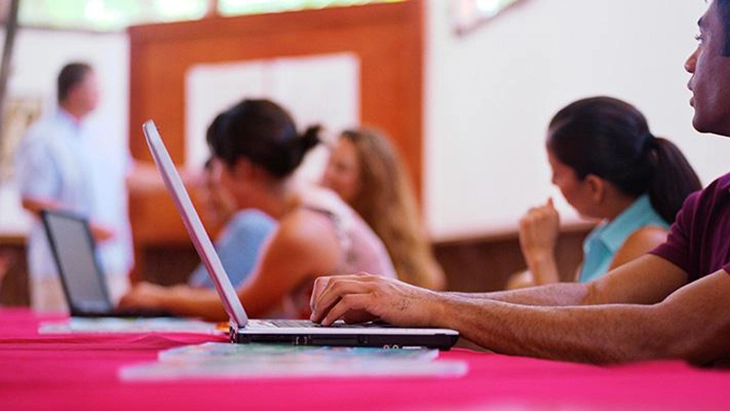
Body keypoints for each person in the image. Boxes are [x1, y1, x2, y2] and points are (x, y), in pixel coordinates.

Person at [310, 0, 730, 366]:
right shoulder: (709, 204)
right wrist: (416, 304)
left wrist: (432, 306)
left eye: (703, 39)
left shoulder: (651, 233)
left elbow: (666, 331)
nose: (690, 62)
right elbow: (591, 297)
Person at [120, 99, 396, 321]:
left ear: (243, 169)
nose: (213, 177)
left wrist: (160, 296)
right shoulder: (311, 207)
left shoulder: (301, 230)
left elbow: (240, 307)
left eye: (217, 164)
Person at [508, 97, 701, 289]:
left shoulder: (648, 242)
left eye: (557, 172)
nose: (552, 181)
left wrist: (540, 255)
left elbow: (575, 320)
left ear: (594, 187)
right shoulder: (609, 236)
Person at [15, 62, 133, 312]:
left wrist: (185, 177)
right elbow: (33, 200)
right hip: (63, 269)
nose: (100, 94)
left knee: (116, 341)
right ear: (75, 91)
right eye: (95, 87)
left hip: (109, 263)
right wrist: (88, 228)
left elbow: (129, 175)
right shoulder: (43, 137)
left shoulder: (100, 135)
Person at [320, 128, 445, 290]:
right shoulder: (325, 231)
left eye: (341, 168)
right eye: (328, 164)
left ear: (371, 181)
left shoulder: (418, 267)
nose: (326, 175)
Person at [187, 158, 276, 288]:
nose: (205, 198)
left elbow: (203, 293)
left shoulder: (250, 226)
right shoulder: (236, 229)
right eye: (202, 188)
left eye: (213, 187)